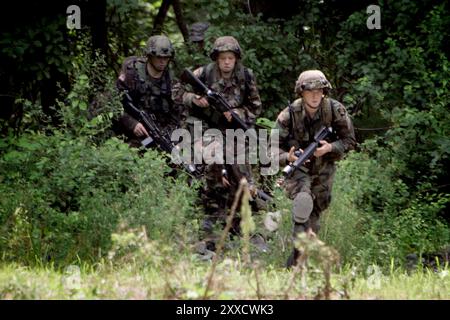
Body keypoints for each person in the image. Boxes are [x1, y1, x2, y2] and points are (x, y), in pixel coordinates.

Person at [174, 36, 263, 252]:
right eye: (222, 58)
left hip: (234, 131)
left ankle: (240, 220)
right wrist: (195, 99)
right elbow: (176, 92)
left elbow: (255, 108)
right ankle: (211, 219)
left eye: (230, 58)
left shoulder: (246, 76)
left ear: (236, 59)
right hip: (205, 129)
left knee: (240, 172)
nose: (226, 62)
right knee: (212, 165)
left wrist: (237, 113)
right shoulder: (203, 74)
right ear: (216, 58)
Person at [271, 70, 356, 268]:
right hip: (298, 170)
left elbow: (350, 141)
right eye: (310, 91)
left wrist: (330, 148)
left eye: (319, 91)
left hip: (323, 170)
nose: (315, 95)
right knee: (302, 204)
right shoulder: (288, 115)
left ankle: (297, 262)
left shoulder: (335, 110)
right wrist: (288, 157)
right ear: (301, 93)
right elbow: (271, 149)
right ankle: (295, 266)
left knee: (312, 221)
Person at [116, 35, 183, 148]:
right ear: (150, 56)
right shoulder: (132, 74)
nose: (163, 61)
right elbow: (112, 103)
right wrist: (132, 123)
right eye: (159, 57)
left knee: (147, 147)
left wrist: (170, 137)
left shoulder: (171, 82)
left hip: (152, 135)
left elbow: (178, 116)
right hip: (127, 129)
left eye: (166, 57)